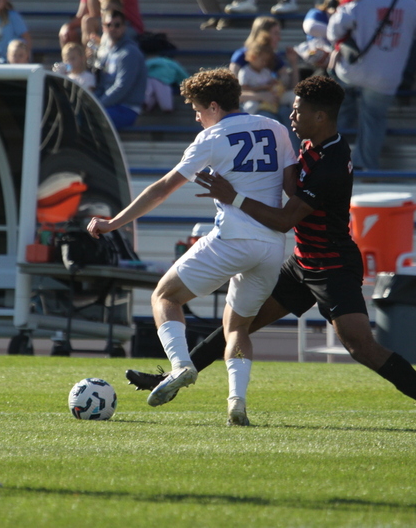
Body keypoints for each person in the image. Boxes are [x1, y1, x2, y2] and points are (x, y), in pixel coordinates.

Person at [126, 75, 416, 433]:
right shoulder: (308, 145)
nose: (291, 116)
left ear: (320, 117)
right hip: (302, 263)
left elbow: (286, 220)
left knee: (360, 346)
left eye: (298, 110)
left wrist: (234, 197)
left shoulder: (333, 162)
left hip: (332, 265)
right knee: (238, 325)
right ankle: (174, 375)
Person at [88, 68, 296, 425]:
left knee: (164, 297)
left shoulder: (212, 137)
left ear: (214, 106)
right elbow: (293, 189)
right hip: (273, 246)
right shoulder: (276, 128)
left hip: (233, 237)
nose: (197, 117)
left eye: (199, 110)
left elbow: (163, 187)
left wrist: (113, 223)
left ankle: (181, 365)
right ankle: (236, 402)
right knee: (237, 328)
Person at [327, 0, 416, 170]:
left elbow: (333, 32)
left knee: (339, 108)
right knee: (374, 119)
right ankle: (365, 165)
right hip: (386, 77)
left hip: (353, 71)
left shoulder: (358, 2)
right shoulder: (412, 5)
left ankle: (331, 159)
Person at [94, 9, 147, 129]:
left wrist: (98, 104)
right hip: (110, 106)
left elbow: (122, 86)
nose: (112, 28)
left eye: (117, 25)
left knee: (91, 118)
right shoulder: (108, 52)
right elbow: (102, 84)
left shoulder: (129, 52)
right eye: (109, 25)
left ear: (124, 27)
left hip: (126, 109)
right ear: (103, 27)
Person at [60, 0, 144, 47]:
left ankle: (90, 64)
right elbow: (82, 14)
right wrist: (67, 27)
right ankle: (72, 69)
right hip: (106, 24)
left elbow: (101, 13)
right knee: (68, 33)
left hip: (127, 25)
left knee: (88, 22)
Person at [238, 32, 286, 121]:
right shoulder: (245, 71)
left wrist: (273, 83)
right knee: (250, 107)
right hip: (253, 99)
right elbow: (244, 89)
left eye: (266, 61)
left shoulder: (265, 71)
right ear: (253, 57)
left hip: (268, 98)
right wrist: (261, 88)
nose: (264, 63)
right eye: (262, 60)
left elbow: (271, 82)